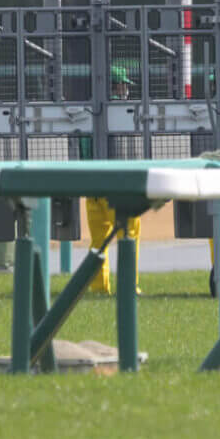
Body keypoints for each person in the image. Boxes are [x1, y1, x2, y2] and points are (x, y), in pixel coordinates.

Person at [86, 65, 141, 296]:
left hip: (92, 188)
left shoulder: (88, 111)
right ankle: (128, 287)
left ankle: (99, 287)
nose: (127, 89)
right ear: (115, 86)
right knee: (129, 238)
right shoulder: (122, 114)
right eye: (124, 84)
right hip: (119, 188)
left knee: (98, 242)